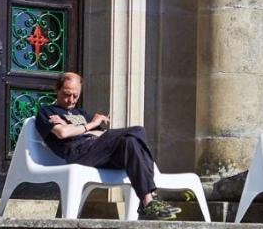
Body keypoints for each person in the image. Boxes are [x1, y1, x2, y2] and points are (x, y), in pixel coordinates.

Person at [35, 72, 180, 220]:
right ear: (57, 89)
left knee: (131, 142)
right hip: (78, 153)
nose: (71, 100)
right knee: (138, 131)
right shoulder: (47, 111)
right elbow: (63, 133)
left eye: (76, 96)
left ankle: (148, 201)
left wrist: (78, 128)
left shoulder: (81, 113)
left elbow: (101, 135)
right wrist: (90, 126)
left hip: (99, 151)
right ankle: (151, 197)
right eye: (67, 94)